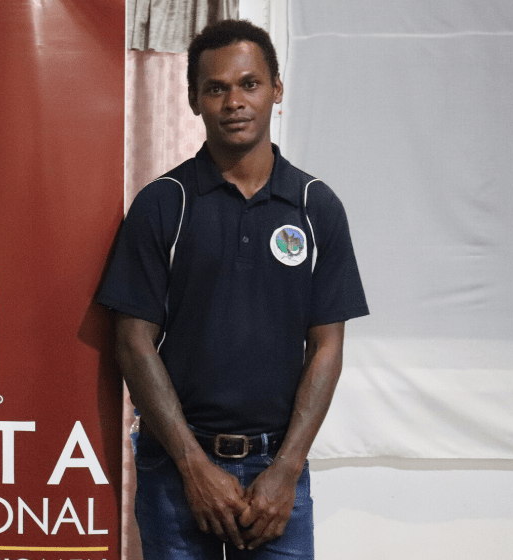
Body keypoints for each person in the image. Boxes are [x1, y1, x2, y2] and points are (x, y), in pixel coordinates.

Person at [97, 19, 369, 559]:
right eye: (216, 88)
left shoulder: (317, 208)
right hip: (175, 467)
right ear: (194, 100)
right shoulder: (162, 204)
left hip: (278, 471)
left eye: (249, 84)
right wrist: (194, 466)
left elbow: (327, 347)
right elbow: (132, 341)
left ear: (277, 90)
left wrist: (287, 470)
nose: (234, 102)